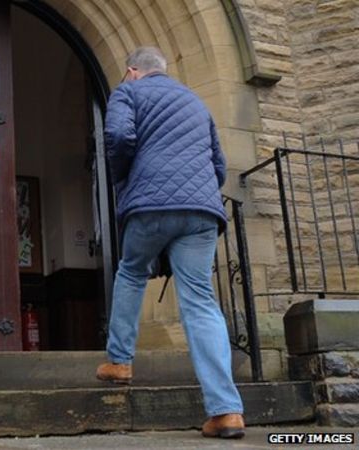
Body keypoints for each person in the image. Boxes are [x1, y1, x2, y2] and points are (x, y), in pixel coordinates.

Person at [96, 46, 245, 439]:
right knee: (200, 300)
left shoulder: (126, 92)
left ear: (132, 71)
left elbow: (118, 136)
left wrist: (123, 179)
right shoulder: (195, 101)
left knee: (131, 273)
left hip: (150, 206)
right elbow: (218, 163)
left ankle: (120, 361)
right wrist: (198, 196)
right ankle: (226, 411)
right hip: (201, 211)